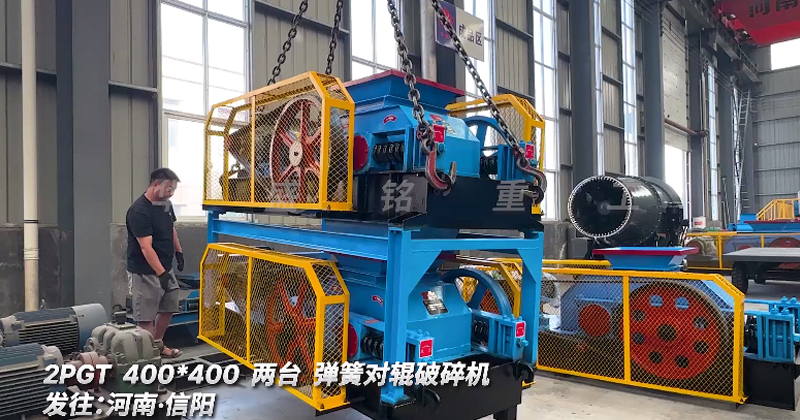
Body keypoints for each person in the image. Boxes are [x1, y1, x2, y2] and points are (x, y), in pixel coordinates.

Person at [126, 168, 185, 358]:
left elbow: (171, 227)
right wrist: (162, 274)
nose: (171, 193)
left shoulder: (165, 204)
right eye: (169, 189)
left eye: (173, 189)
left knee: (169, 305)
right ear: (155, 185)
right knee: (146, 317)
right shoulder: (139, 211)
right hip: (145, 271)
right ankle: (148, 356)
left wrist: (178, 251)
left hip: (165, 267)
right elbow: (146, 248)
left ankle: (158, 344)